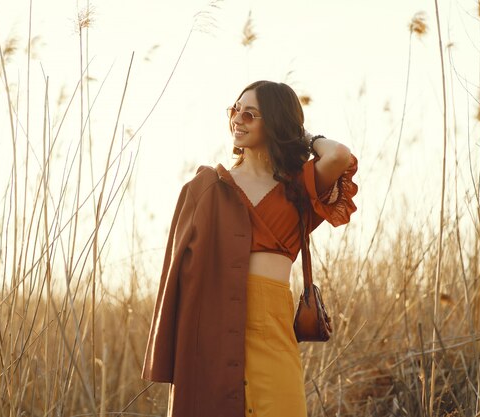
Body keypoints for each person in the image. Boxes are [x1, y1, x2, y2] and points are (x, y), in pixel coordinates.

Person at [141, 80, 359, 417]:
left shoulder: (297, 185)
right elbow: (175, 278)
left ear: (274, 122)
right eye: (234, 110)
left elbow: (339, 156)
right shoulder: (207, 187)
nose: (237, 119)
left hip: (273, 330)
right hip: (213, 329)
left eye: (250, 114)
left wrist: (302, 137)